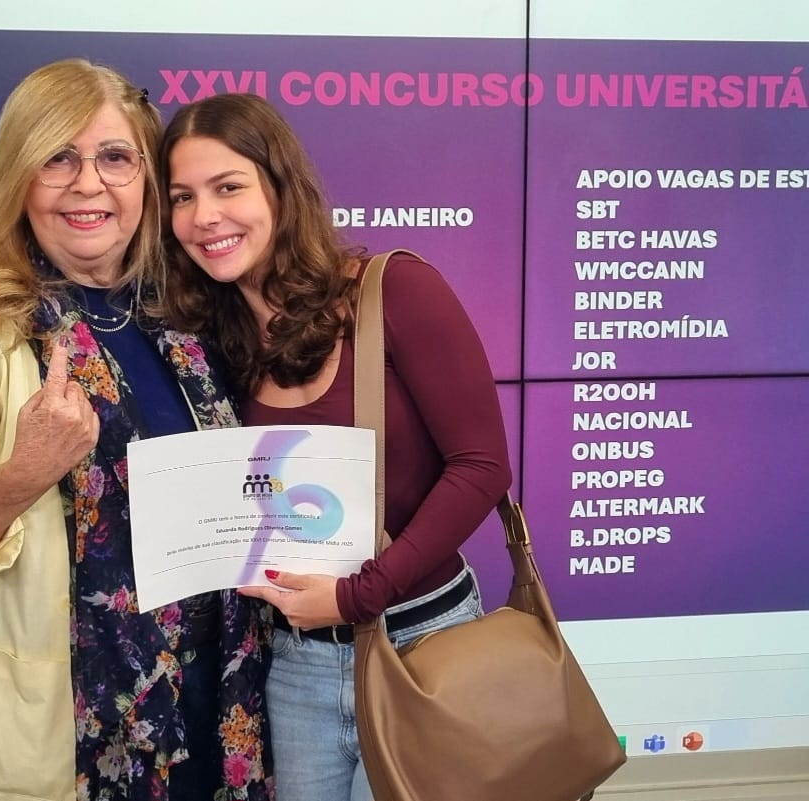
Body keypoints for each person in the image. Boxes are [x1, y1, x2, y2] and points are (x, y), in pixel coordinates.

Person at [0, 61, 272, 801]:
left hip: (219, 693)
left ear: (146, 180)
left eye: (115, 157)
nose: (88, 183)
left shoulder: (189, 311)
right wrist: (25, 472)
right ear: (19, 176)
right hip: (71, 717)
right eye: (57, 158)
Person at [158, 92, 512, 801]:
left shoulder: (396, 290)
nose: (205, 216)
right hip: (294, 663)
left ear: (281, 189)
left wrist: (359, 594)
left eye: (228, 187)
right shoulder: (204, 344)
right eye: (182, 197)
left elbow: (482, 466)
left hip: (422, 640)